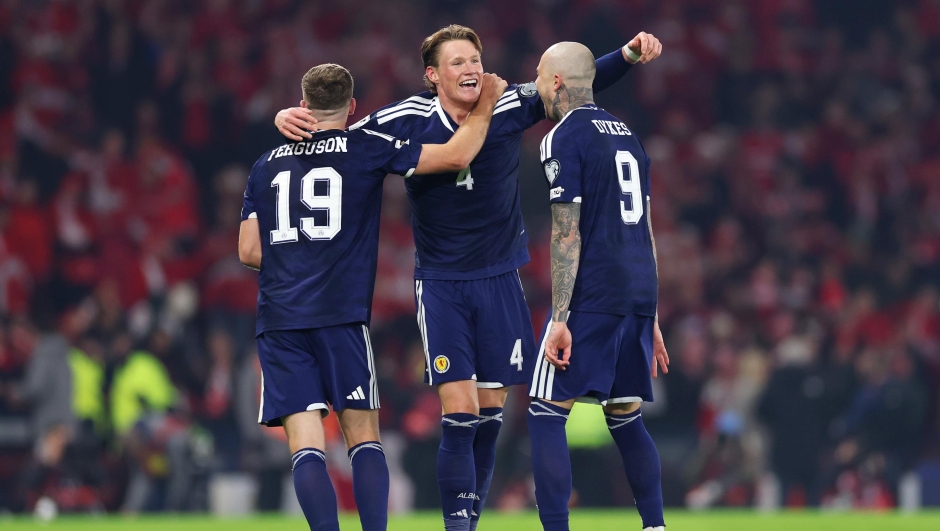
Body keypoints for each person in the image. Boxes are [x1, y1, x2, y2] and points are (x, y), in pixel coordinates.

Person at [274, 25, 662, 531]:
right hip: (441, 283)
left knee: (489, 418)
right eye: (457, 62)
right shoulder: (403, 119)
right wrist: (287, 116)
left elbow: (572, 82)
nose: (471, 69)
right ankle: (456, 527)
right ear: (433, 75)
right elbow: (337, 141)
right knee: (459, 412)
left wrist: (626, 55)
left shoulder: (509, 104)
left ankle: (469, 520)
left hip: (500, 278)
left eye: (475, 59)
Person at [238, 63, 506, 531]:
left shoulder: (264, 165)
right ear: (352, 107)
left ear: (303, 106)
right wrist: (484, 107)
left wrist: (298, 260)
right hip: (340, 314)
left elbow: (248, 250)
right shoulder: (364, 147)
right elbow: (456, 156)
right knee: (363, 438)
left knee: (305, 446)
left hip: (280, 320)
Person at [525, 42, 669, 531]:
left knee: (545, 411)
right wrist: (651, 314)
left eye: (539, 75)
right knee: (626, 416)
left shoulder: (562, 137)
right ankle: (655, 526)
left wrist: (560, 319)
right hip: (637, 290)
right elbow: (646, 227)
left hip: (595, 290)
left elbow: (567, 231)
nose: (537, 85)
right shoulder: (629, 135)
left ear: (557, 81)